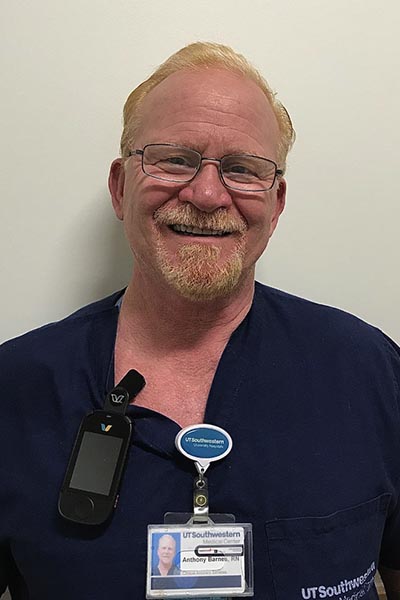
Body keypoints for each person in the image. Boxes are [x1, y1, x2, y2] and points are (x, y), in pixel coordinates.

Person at [0, 41, 399, 600]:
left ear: (277, 202)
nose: (207, 193)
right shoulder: (16, 387)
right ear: (120, 187)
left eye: (241, 169)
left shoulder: (371, 372)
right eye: (175, 159)